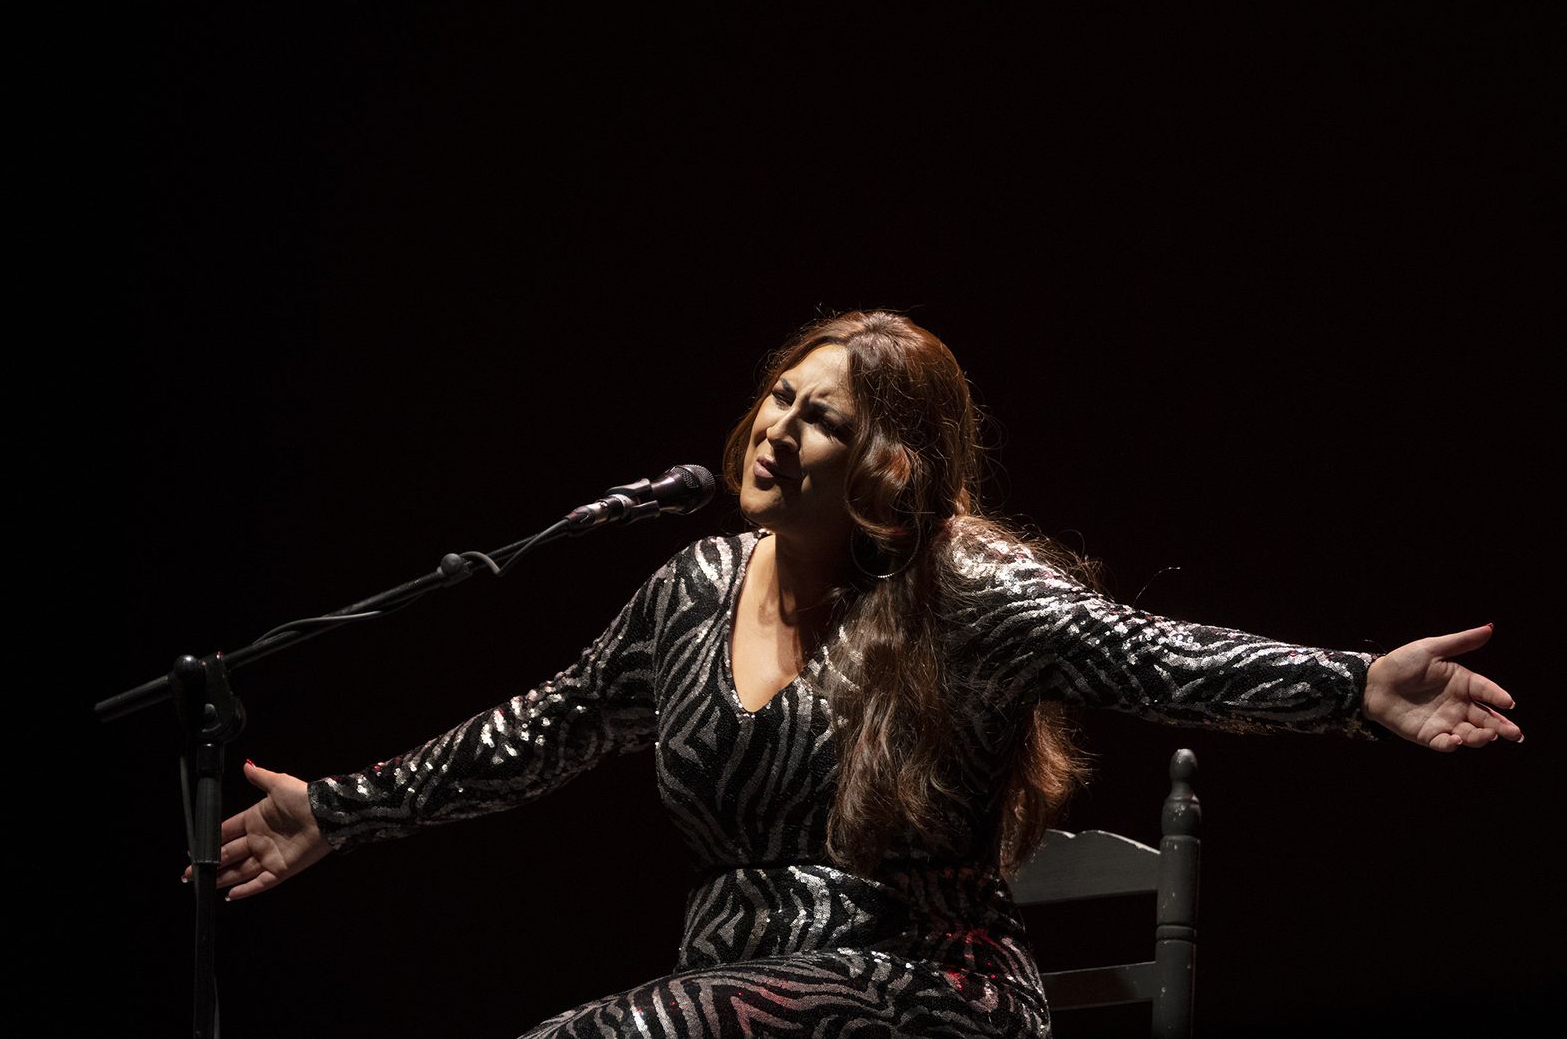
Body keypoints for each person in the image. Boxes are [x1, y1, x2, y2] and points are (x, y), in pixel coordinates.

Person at [191, 311, 1521, 1037]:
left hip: (928, 989)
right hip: (734, 997)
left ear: (890, 467)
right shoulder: (691, 592)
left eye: (822, 415)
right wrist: (342, 807)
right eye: (781, 393)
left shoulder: (968, 595)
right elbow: (539, 731)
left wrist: (1354, 686)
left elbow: (1152, 655)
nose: (780, 423)